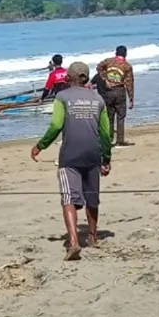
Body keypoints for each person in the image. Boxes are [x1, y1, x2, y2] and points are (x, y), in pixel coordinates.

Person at [30, 62, 112, 261]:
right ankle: (92, 237)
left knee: (68, 197)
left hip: (70, 155)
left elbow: (56, 125)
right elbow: (105, 132)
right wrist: (107, 158)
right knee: (92, 197)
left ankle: (74, 242)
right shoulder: (97, 98)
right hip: (93, 154)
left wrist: (41, 145)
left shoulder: (62, 97)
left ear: (71, 77)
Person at [97, 45, 135, 147]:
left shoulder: (108, 61)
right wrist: (131, 98)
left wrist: (105, 79)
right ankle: (120, 140)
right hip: (120, 91)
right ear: (125, 54)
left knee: (109, 116)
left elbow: (99, 67)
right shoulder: (127, 66)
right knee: (120, 116)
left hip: (108, 92)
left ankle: (109, 139)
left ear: (116, 53)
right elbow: (129, 82)